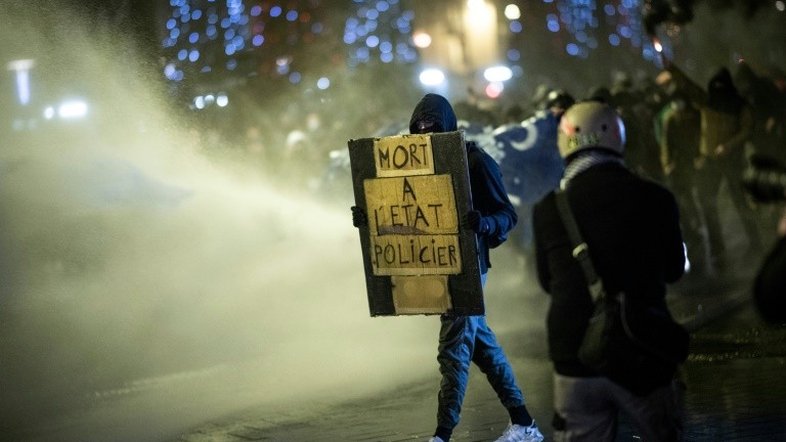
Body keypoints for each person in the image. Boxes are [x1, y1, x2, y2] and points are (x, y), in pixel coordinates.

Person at [352, 93, 543, 442]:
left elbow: (508, 215)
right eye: (419, 130)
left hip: (467, 268)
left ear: (448, 126)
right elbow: (401, 210)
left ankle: (442, 434)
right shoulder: (412, 166)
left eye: (433, 128)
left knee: (453, 348)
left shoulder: (476, 162)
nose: (425, 135)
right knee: (481, 345)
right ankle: (524, 422)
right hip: (439, 265)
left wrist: (484, 224)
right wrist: (369, 217)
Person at [532, 101, 686, 441]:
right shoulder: (655, 198)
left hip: (573, 354)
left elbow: (547, 282)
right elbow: (675, 269)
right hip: (641, 348)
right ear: (617, 138)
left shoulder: (548, 208)